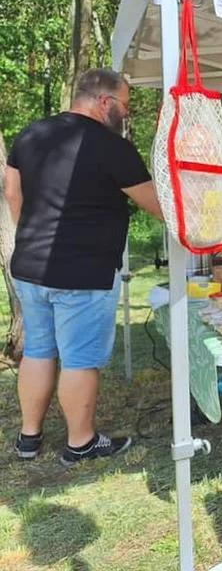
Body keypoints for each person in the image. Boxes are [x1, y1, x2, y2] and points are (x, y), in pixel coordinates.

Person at [4, 69, 163, 466]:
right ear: (104, 101)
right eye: (125, 105)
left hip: (29, 266)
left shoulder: (31, 135)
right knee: (80, 359)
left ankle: (29, 438)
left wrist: (30, 235)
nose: (126, 114)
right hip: (84, 271)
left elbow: (12, 191)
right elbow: (156, 204)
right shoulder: (111, 147)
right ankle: (81, 442)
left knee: (38, 351)